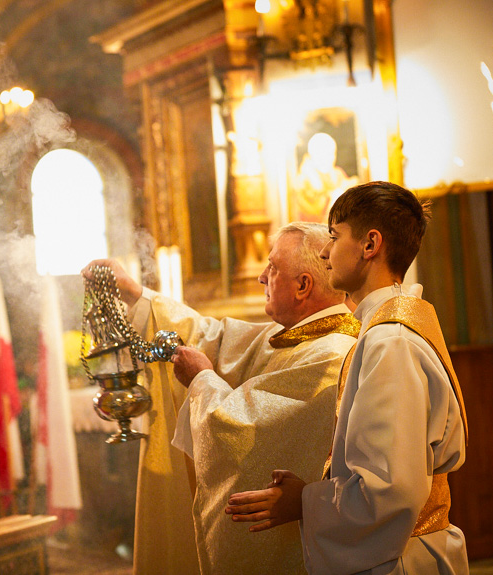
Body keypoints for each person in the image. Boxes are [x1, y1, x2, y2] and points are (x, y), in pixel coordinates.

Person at [84, 222, 360, 574]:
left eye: (272, 267)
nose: (262, 277)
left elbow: (246, 430)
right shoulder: (294, 335)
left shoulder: (331, 354)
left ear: (303, 285)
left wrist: (200, 379)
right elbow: (208, 337)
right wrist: (137, 295)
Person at [226, 181, 469, 574]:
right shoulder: (389, 327)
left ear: (369, 245)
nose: (324, 251)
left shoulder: (390, 342)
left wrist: (303, 501)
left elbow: (392, 491)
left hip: (400, 559)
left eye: (334, 236)